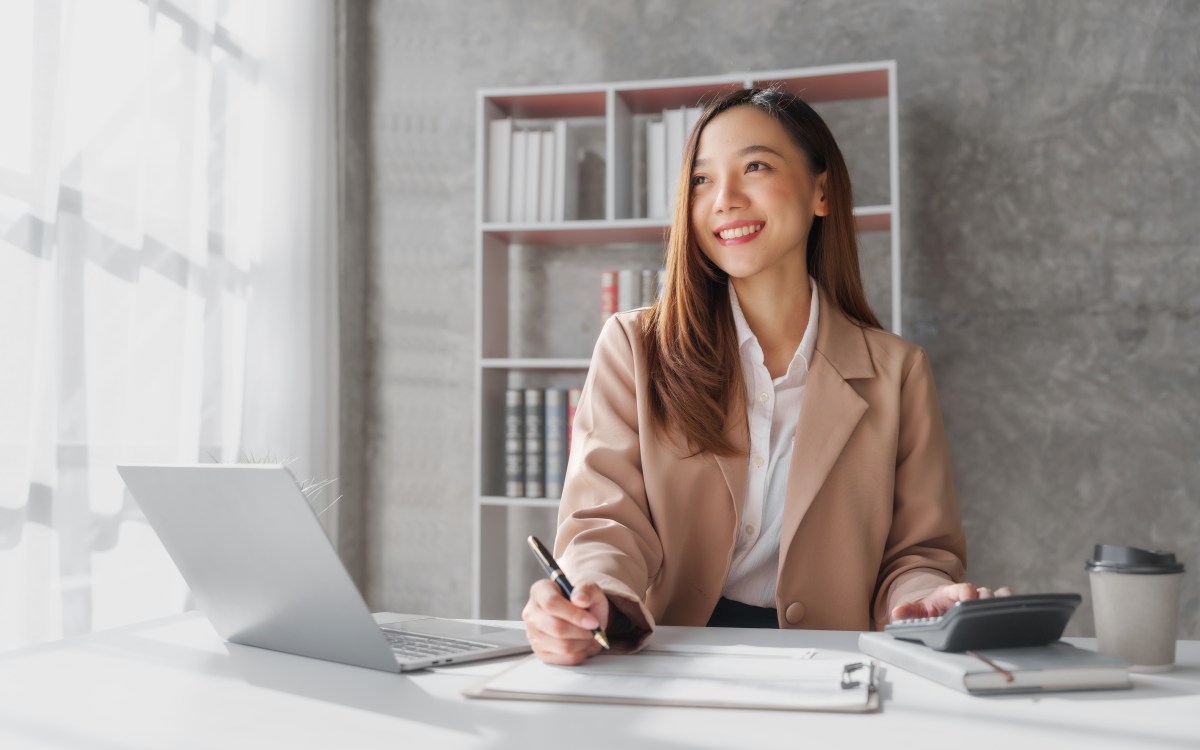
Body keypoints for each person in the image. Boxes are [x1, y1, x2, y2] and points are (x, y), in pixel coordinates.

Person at [522, 87, 1009, 665]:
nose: (724, 199)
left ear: (821, 191)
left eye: (754, 166)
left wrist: (929, 598)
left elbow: (917, 553)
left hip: (833, 663)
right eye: (702, 180)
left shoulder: (897, 372)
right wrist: (594, 595)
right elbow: (605, 520)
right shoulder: (635, 348)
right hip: (667, 653)